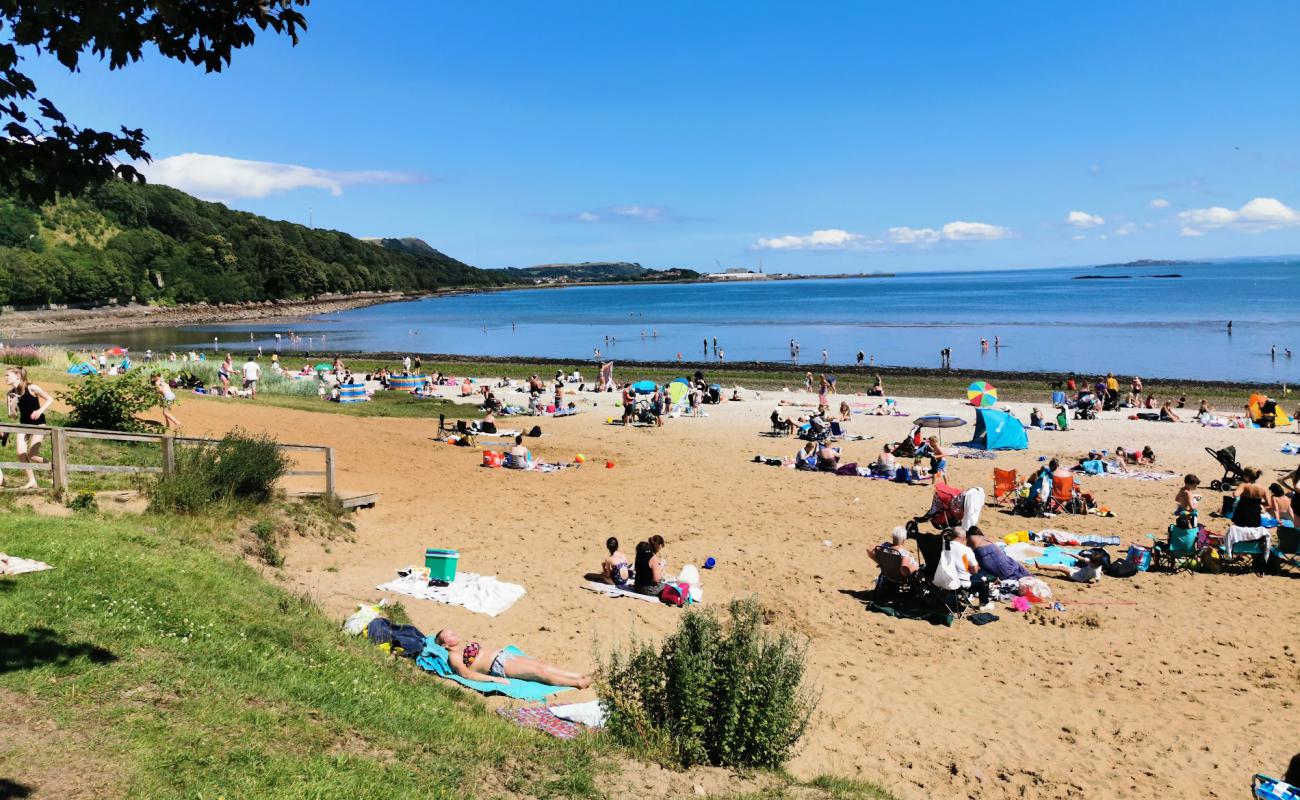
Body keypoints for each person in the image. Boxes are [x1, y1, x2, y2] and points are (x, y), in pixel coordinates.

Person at [433, 629, 591, 689]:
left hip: (504, 656)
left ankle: (576, 675)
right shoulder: (454, 656)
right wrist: (493, 680)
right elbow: (466, 675)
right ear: (445, 645)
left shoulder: (461, 649)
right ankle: (577, 683)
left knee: (540, 664)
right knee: (539, 671)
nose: (454, 632)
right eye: (449, 635)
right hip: (498, 667)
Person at [3, 367, 54, 489]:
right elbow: (13, 416)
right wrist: (12, 406)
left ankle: (54, 469)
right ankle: (32, 481)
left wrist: (40, 410)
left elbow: (50, 399)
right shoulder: (10, 394)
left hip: (38, 424)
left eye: (7, 375)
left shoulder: (32, 388)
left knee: (32, 455)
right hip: (23, 424)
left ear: (18, 376)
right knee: (20, 453)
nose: (5, 377)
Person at [936, 528, 993, 611]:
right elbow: (975, 571)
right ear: (963, 538)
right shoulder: (966, 550)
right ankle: (984, 604)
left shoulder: (941, 545)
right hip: (960, 584)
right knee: (984, 578)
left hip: (939, 580)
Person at [1036, 551, 1104, 583]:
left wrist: (1090, 583)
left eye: (1091, 562)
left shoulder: (1097, 570)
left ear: (1096, 563)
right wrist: (1069, 553)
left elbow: (1097, 581)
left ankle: (1040, 566)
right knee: (1061, 566)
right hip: (1077, 571)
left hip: (1078, 578)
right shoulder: (1091, 562)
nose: (1090, 562)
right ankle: (1043, 567)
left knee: (1061, 568)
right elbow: (1080, 558)